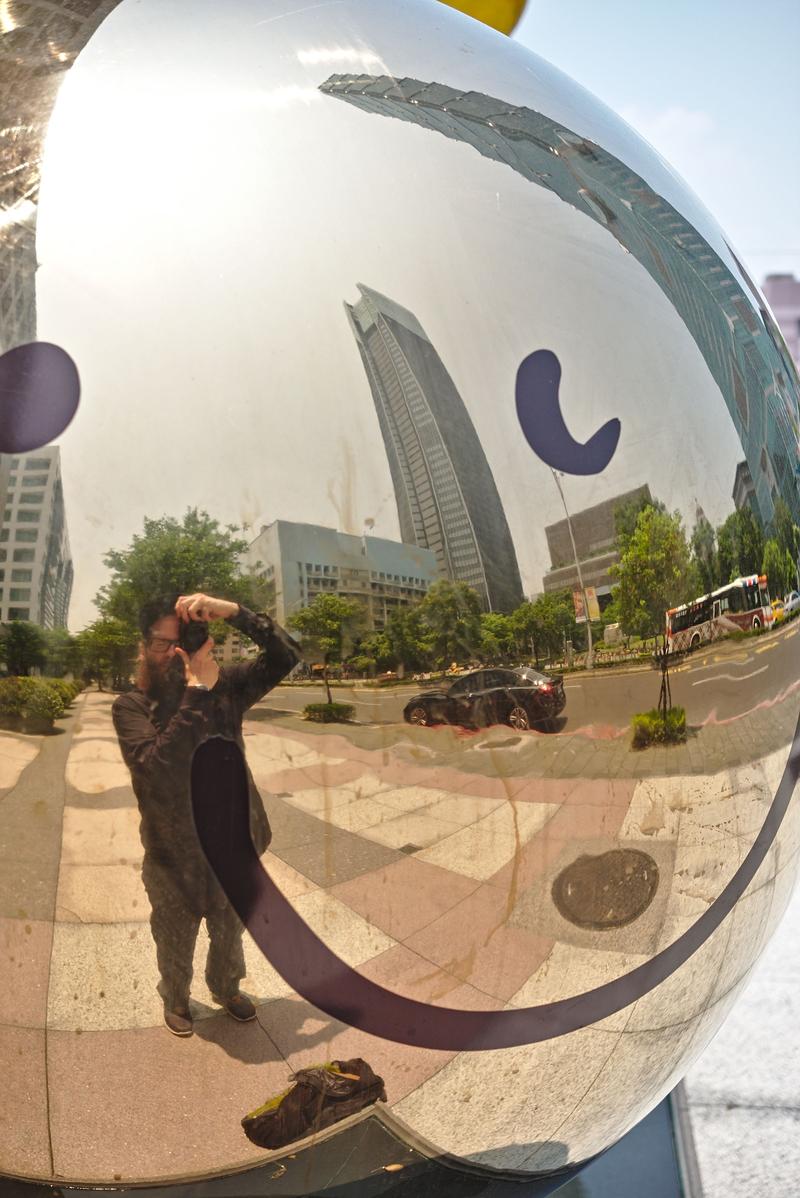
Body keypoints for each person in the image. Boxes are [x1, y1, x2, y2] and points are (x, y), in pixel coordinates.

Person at [112, 592, 301, 1037]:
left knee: (229, 934)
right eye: (161, 643)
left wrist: (233, 612)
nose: (175, 652)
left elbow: (288, 653)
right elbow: (156, 769)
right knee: (174, 941)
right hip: (172, 860)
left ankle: (225, 987)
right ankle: (176, 997)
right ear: (142, 648)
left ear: (204, 643)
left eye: (186, 641)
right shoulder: (131, 707)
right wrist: (197, 692)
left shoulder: (227, 688)